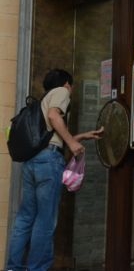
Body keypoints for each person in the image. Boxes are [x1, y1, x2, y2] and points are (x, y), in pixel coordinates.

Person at [6, 68, 104, 271]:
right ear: (67, 83)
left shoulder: (43, 99)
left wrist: (80, 137)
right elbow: (53, 116)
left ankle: (13, 267)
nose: (71, 90)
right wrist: (73, 143)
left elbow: (51, 137)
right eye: (72, 86)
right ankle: (37, 268)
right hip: (48, 162)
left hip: (32, 161)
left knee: (25, 218)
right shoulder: (61, 91)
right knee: (45, 220)